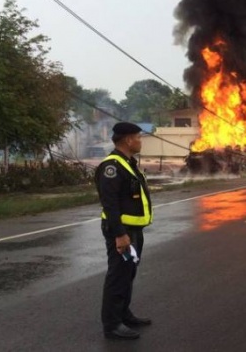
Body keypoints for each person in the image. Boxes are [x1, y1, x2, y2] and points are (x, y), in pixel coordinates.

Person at [95, 122, 153, 340]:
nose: (140, 141)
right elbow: (109, 204)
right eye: (138, 137)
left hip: (134, 230)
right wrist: (120, 235)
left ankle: (123, 314)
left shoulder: (128, 163)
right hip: (121, 231)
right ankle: (112, 325)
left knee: (128, 273)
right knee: (118, 276)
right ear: (128, 140)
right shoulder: (112, 166)